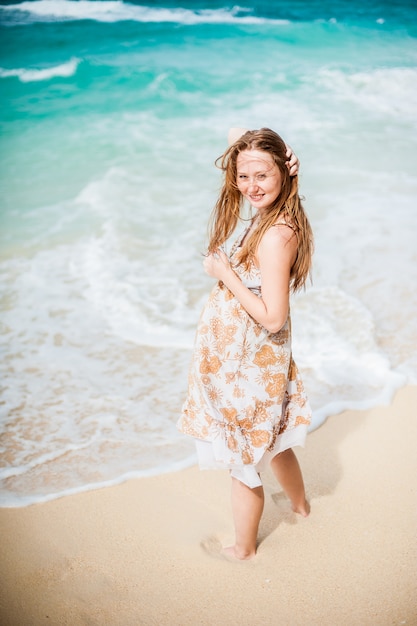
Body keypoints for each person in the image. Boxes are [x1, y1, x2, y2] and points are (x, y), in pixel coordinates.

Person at [177, 127, 313, 560]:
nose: (251, 187)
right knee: (276, 441)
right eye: (243, 177)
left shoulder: (276, 234)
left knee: (242, 461)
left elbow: (274, 316)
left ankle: (245, 549)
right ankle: (301, 507)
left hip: (250, 364)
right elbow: (243, 136)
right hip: (252, 358)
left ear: (284, 177)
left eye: (262, 176)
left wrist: (226, 275)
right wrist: (279, 152)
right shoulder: (275, 215)